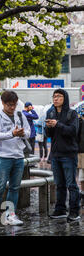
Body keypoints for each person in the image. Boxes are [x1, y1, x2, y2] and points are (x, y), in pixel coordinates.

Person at [0, 90, 30, 226]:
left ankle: (10, 214)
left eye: (14, 105)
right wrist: (12, 133)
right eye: (9, 105)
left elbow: (28, 132)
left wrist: (22, 134)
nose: (12, 107)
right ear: (3, 103)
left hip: (18, 156)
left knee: (14, 187)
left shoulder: (20, 115)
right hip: (4, 156)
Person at [45, 89, 81, 221]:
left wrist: (57, 124)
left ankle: (74, 211)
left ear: (64, 98)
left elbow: (73, 131)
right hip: (55, 154)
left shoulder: (72, 113)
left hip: (68, 154)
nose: (55, 99)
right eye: (54, 97)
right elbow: (48, 135)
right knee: (59, 184)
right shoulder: (51, 112)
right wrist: (48, 127)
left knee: (71, 184)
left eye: (59, 96)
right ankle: (60, 210)